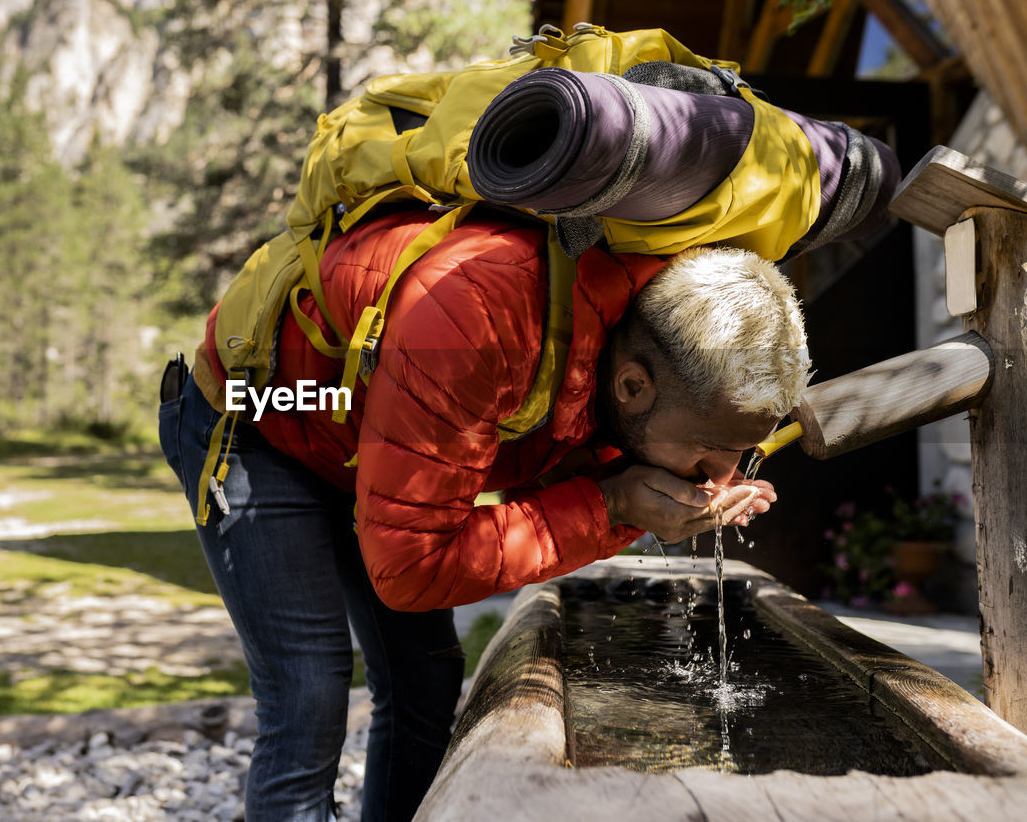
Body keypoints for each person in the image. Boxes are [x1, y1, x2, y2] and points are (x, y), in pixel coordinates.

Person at [158, 204, 809, 821]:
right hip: (258, 419)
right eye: (715, 452)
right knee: (309, 690)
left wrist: (643, 496)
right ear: (633, 386)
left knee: (425, 674)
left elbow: (581, 457)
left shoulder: (648, 341)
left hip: (360, 437)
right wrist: (616, 501)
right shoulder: (477, 321)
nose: (724, 475)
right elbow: (413, 566)